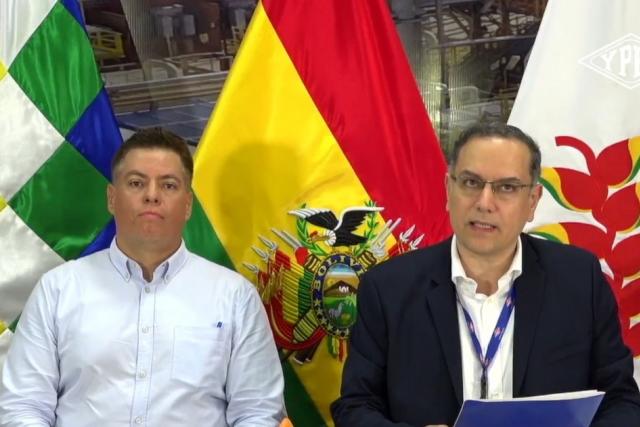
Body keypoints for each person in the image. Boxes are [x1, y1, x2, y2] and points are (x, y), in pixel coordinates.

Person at [331, 122, 640, 427]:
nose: (484, 203)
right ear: (448, 189)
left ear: (532, 201)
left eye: (507, 187)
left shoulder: (579, 280)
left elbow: (621, 400)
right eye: (471, 182)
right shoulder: (388, 288)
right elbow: (356, 405)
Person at [0, 128, 285, 426]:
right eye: (136, 183)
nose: (152, 195)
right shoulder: (58, 290)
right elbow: (24, 406)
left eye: (168, 185)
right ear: (112, 198)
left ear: (188, 205)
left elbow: (258, 412)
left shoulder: (235, 297)